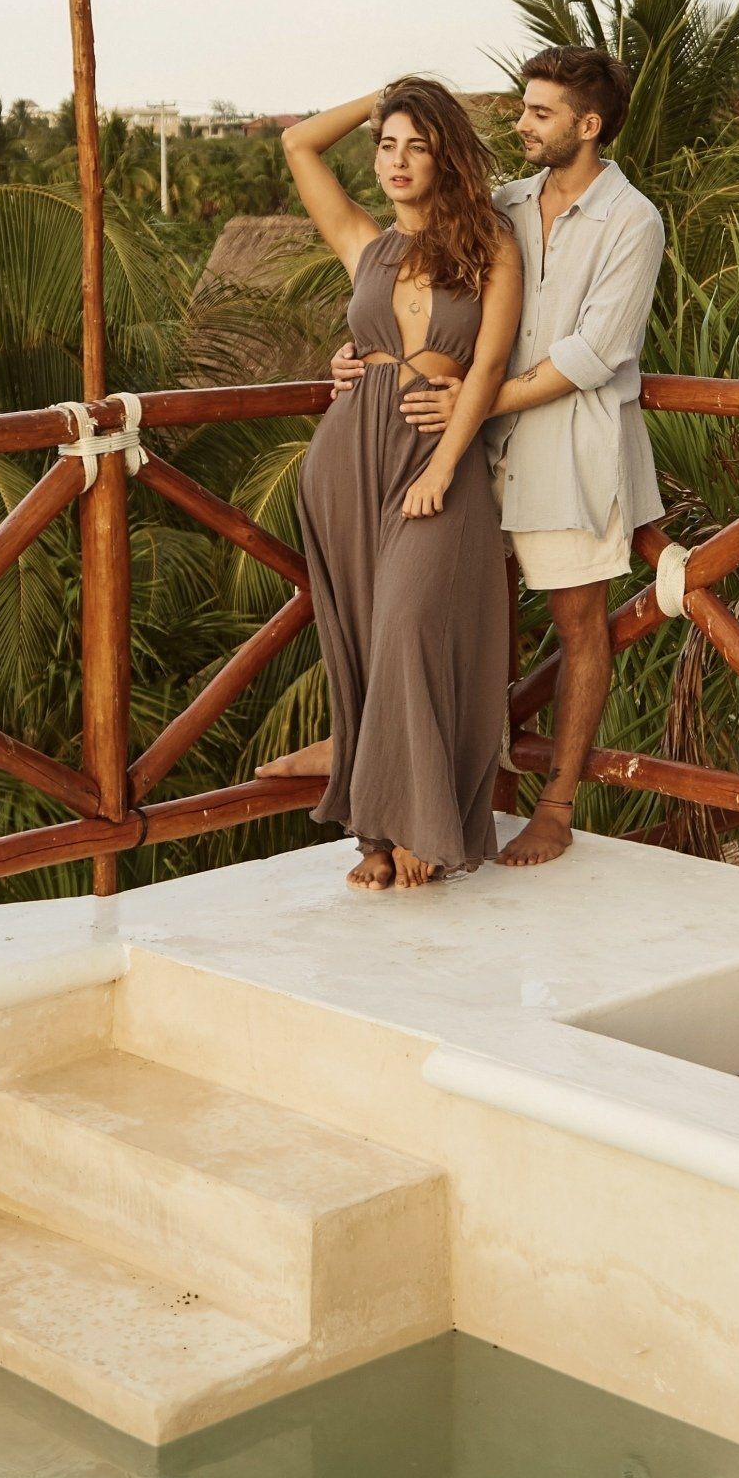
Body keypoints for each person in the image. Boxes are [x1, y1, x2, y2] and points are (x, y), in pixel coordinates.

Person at [347, 46, 665, 869]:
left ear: (587, 126)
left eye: (540, 113)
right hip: (472, 452)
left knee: (578, 627)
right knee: (436, 619)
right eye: (524, 108)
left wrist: (478, 400)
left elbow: (596, 352)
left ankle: (554, 809)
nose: (520, 123)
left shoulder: (634, 221)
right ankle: (432, 797)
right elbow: (418, 281)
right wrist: (359, 357)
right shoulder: (505, 206)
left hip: (572, 453)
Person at [281, 80, 522, 891]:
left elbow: (487, 366)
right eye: (387, 144)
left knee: (410, 626)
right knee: (362, 640)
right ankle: (377, 836)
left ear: (445, 156)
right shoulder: (364, 244)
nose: (396, 161)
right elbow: (297, 146)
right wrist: (379, 97)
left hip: (435, 459)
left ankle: (427, 821)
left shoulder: (491, 246)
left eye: (416, 145)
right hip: (347, 459)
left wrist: (448, 466)